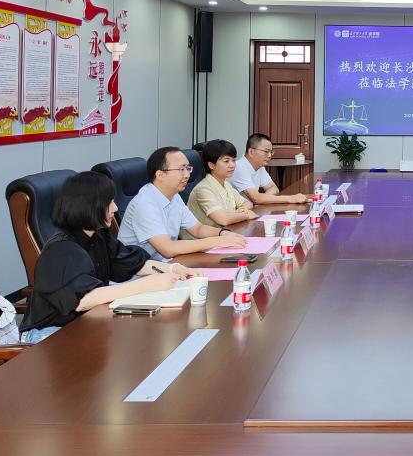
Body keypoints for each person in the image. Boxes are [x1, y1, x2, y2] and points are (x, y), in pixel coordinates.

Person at [20, 171, 193, 343]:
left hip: (86, 322)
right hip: (49, 334)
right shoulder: (62, 249)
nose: (115, 208)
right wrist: (145, 285)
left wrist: (172, 268)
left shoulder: (98, 235)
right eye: (109, 202)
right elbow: (84, 300)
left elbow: (132, 263)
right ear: (89, 206)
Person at [118, 146, 247, 261]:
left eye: (188, 168)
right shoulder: (145, 203)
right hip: (139, 273)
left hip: (167, 264)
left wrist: (222, 233)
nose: (187, 175)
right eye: (181, 169)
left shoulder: (174, 196)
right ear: (160, 175)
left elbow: (198, 229)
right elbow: (168, 249)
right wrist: (217, 241)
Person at [187, 138, 257, 229]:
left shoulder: (226, 184)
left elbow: (247, 203)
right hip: (204, 237)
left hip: (225, 231)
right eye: (226, 161)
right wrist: (246, 215)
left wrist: (240, 211)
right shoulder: (203, 189)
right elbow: (223, 220)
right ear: (211, 165)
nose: (232, 165)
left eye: (233, 160)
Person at [231, 133, 308, 205]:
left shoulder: (259, 166)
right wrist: (290, 198)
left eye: (271, 152)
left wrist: (262, 199)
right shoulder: (239, 167)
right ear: (251, 152)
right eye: (266, 151)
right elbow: (255, 198)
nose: (269, 155)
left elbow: (273, 188)